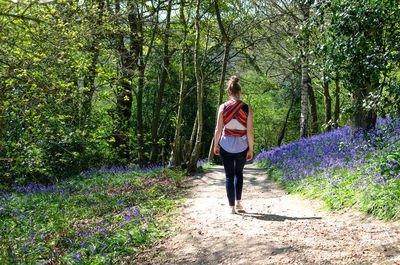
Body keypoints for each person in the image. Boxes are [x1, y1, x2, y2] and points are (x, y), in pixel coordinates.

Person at [213, 75, 254, 214]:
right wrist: (251, 149)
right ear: (240, 91)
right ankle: (238, 203)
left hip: (225, 144)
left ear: (229, 92)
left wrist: (215, 145)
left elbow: (218, 129)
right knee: (239, 174)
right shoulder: (247, 108)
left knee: (229, 176)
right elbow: (250, 132)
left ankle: (231, 207)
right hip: (242, 145)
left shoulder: (222, 107)